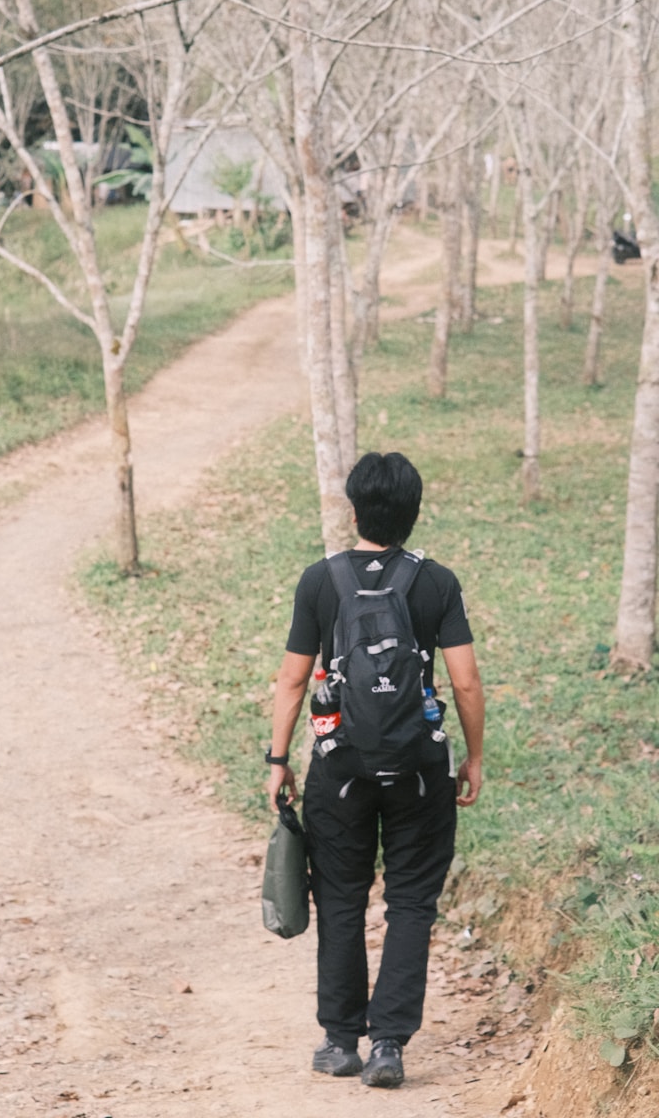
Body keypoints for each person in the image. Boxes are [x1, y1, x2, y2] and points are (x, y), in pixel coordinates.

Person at [266, 451, 485, 1089]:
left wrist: (278, 760)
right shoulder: (436, 582)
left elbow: (293, 678)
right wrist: (472, 757)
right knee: (411, 900)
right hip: (420, 764)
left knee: (339, 898)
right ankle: (388, 1043)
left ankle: (340, 1041)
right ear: (413, 514)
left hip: (339, 767)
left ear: (354, 509)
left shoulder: (320, 580)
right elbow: (465, 682)